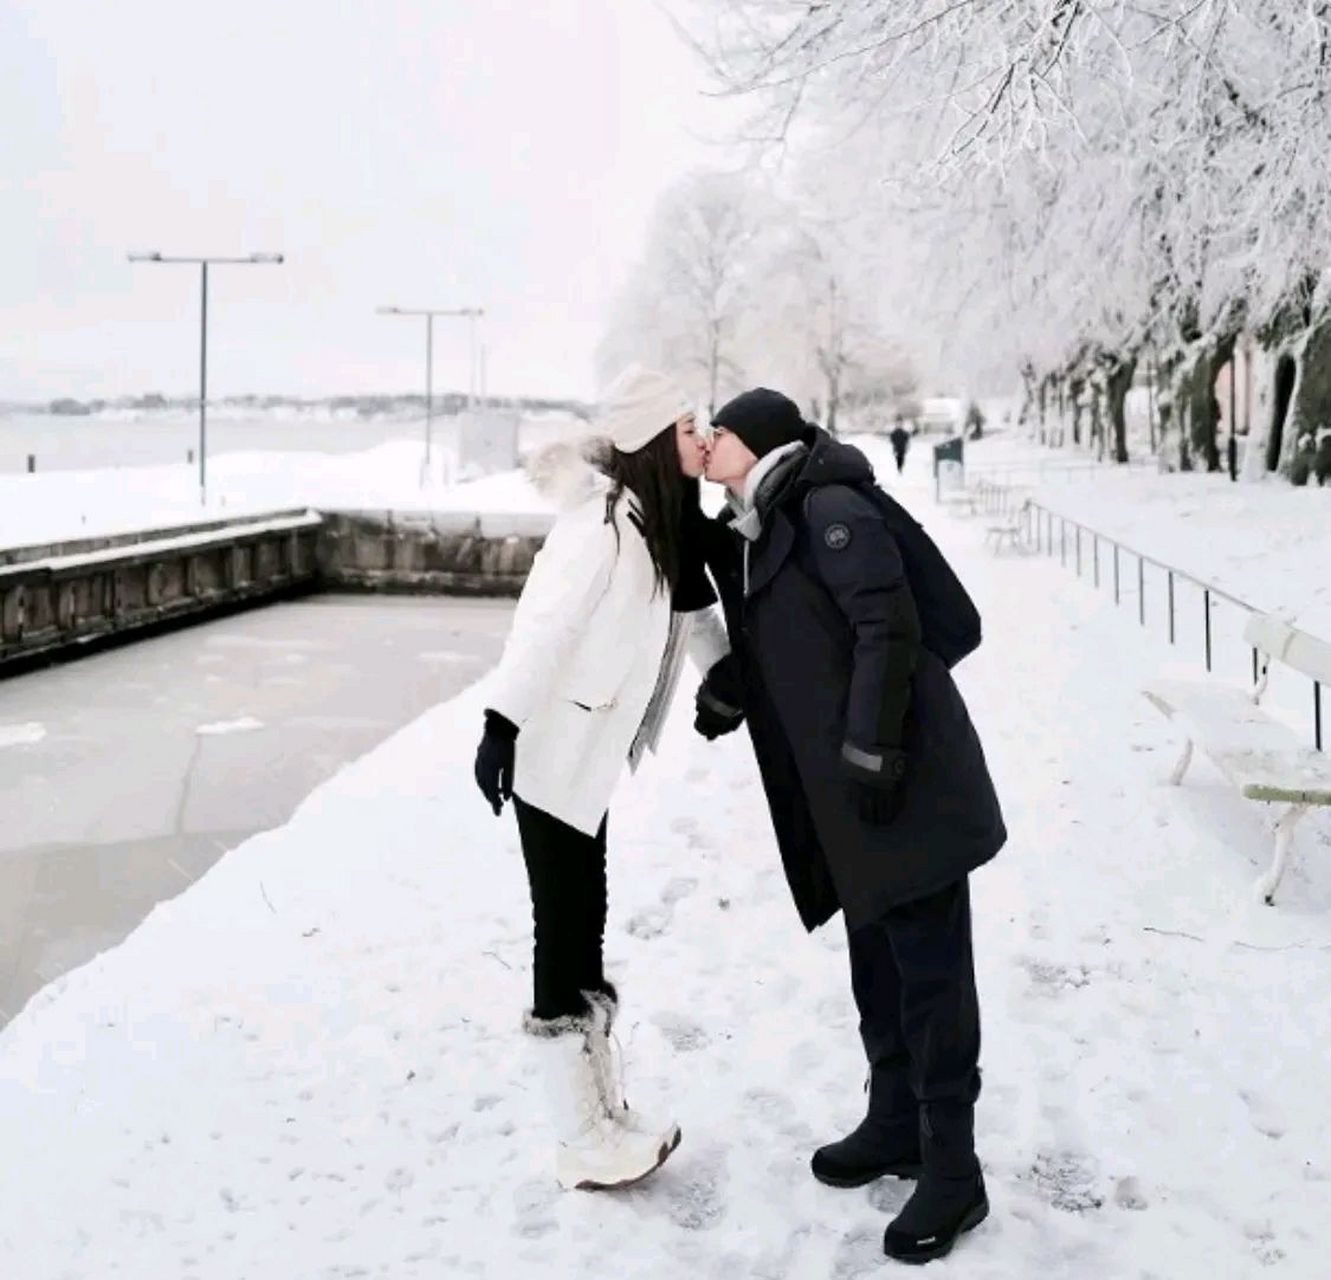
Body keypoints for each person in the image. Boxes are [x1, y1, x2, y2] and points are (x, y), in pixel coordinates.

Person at [693, 387, 1006, 1265]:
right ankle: (896, 1121)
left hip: (901, 779)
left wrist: (870, 746)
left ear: (757, 443)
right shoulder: (770, 517)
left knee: (932, 973)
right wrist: (730, 690)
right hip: (856, 792)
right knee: (878, 953)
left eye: (717, 433)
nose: (706, 443)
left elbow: (885, 623)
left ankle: (954, 1171)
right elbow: (793, 637)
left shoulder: (828, 506)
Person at [474, 364, 729, 1192]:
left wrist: (730, 680)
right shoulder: (601, 528)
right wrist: (498, 725)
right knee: (565, 929)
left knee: (585, 921)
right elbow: (542, 629)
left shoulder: (659, 522)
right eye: (689, 427)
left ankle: (599, 1114)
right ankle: (578, 1138)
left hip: (586, 758)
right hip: (549, 753)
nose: (701, 437)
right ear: (657, 438)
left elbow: (691, 617)